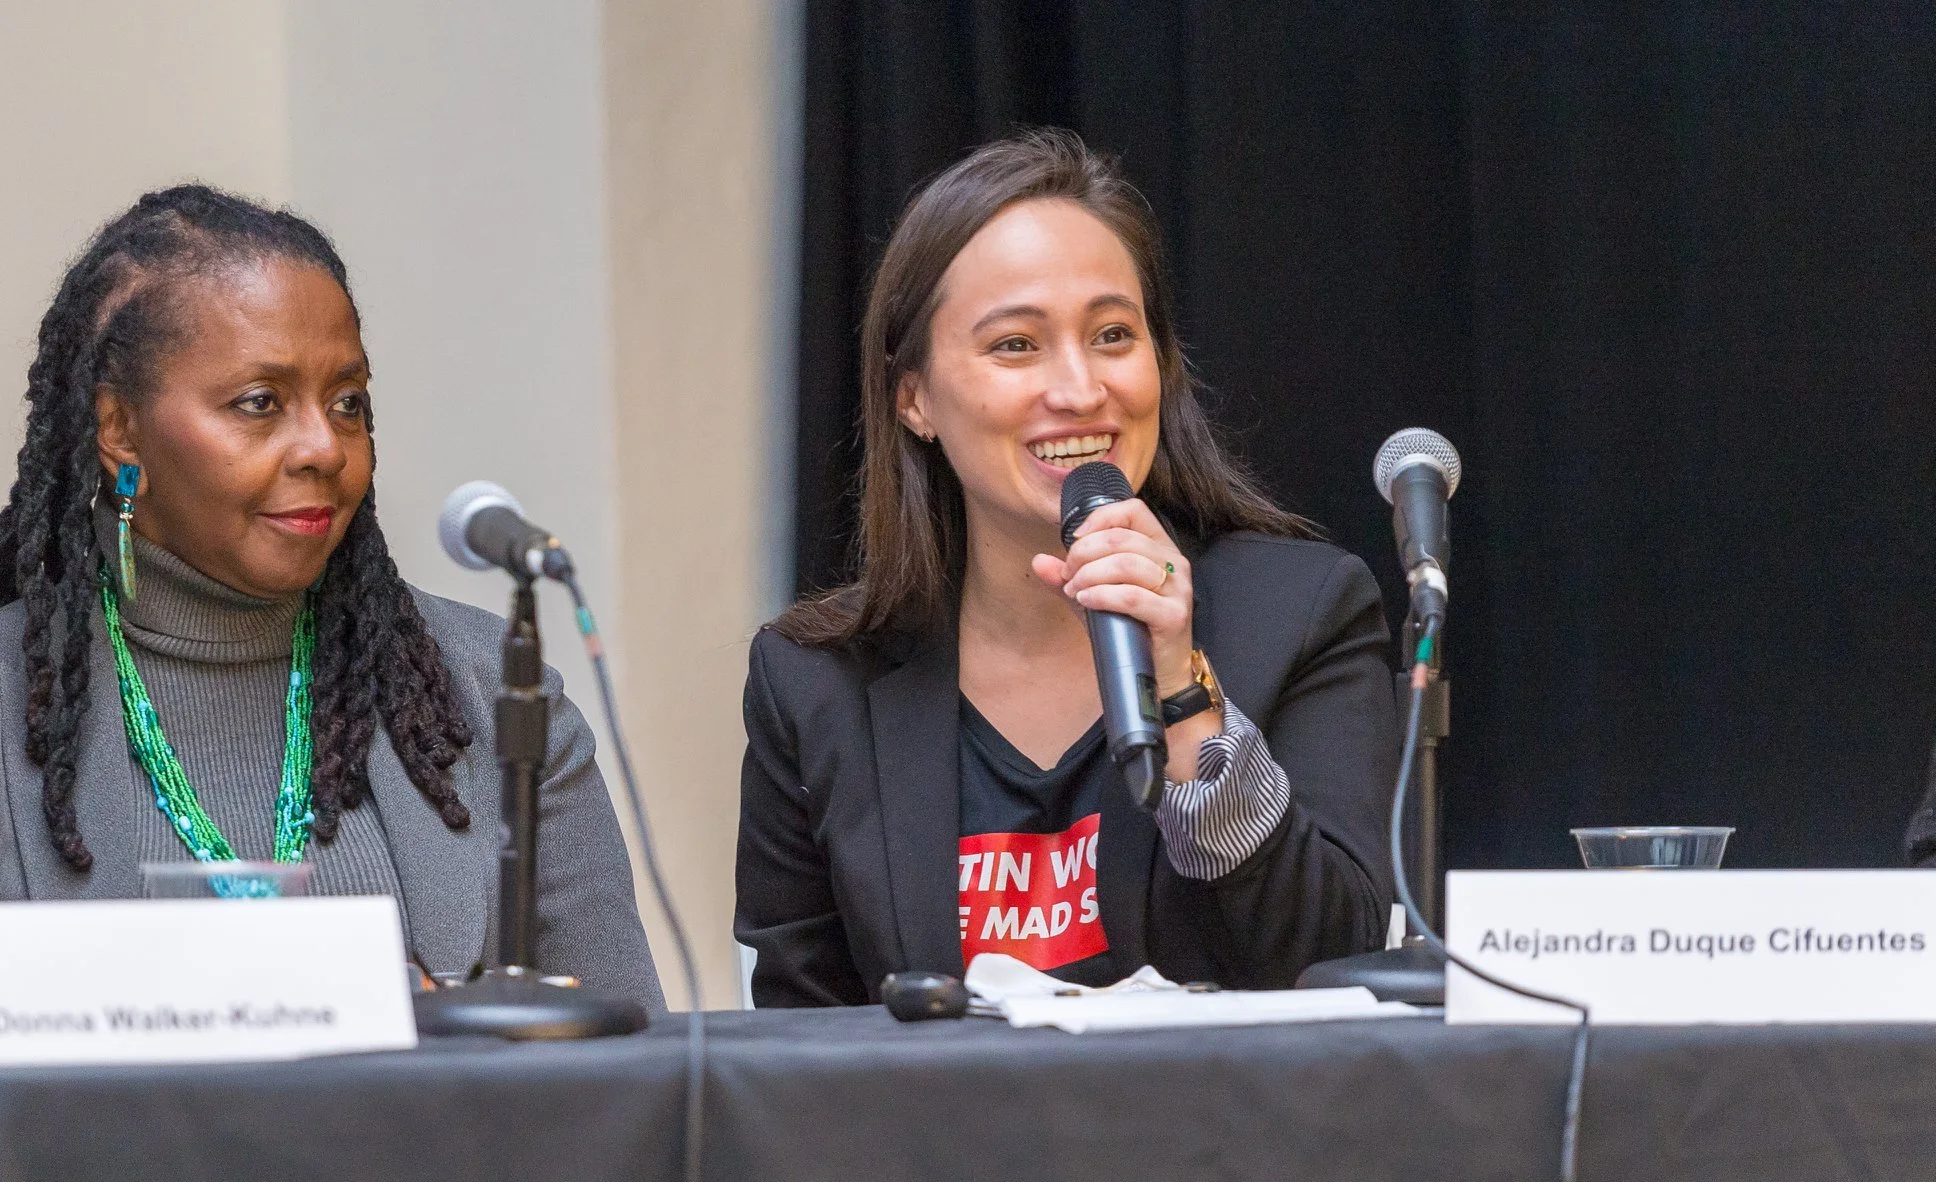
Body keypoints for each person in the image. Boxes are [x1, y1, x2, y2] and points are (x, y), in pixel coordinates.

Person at [737, 130, 1398, 1006]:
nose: (1081, 388)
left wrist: (1184, 698)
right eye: (1016, 346)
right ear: (915, 397)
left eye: (1114, 334)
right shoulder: (814, 683)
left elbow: (1338, 966)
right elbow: (798, 1044)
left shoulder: (1306, 615)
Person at [0, 184, 661, 1008]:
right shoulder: (13, 701)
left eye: (347, 403)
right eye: (259, 403)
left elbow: (624, 1070)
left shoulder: (491, 698)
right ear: (119, 430)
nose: (324, 446)